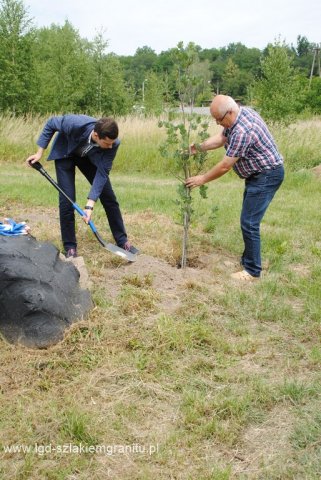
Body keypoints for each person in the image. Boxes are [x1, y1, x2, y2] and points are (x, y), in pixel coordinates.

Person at [186, 95, 284, 281]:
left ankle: (252, 271)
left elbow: (225, 165)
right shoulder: (240, 115)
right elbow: (221, 138)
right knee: (248, 219)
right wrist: (198, 147)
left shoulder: (243, 130)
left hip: (267, 175)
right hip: (258, 175)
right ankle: (248, 260)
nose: (217, 123)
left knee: (249, 222)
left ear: (230, 112)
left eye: (219, 119)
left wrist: (202, 179)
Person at [26, 114, 138, 258]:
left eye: (112, 143)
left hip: (87, 157)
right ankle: (70, 246)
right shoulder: (75, 123)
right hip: (65, 154)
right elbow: (51, 123)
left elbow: (102, 174)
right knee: (67, 200)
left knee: (109, 197)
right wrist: (39, 152)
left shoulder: (113, 144)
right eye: (107, 143)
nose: (111, 146)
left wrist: (89, 205)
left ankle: (122, 241)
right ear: (96, 135)